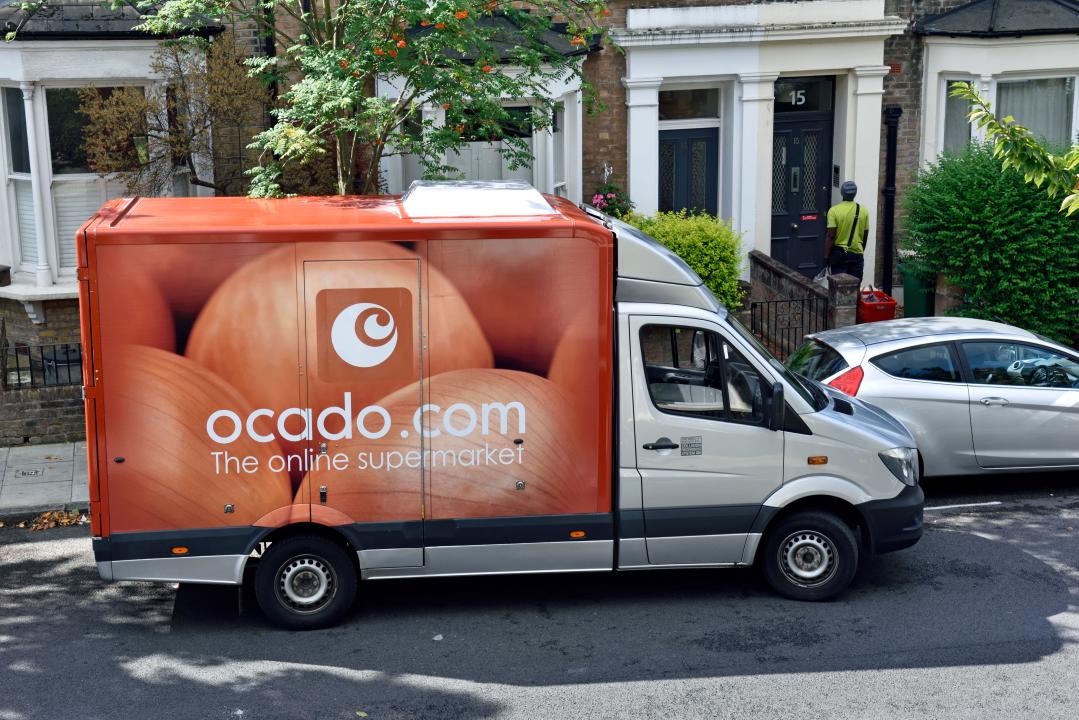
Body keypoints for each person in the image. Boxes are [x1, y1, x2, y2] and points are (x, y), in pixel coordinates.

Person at [824, 180, 869, 281]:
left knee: (838, 287)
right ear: (855, 193)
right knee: (855, 286)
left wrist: (826, 257)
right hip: (857, 254)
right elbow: (865, 235)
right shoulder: (863, 210)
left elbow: (830, 236)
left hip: (839, 255)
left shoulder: (834, 211)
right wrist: (860, 251)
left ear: (842, 193)